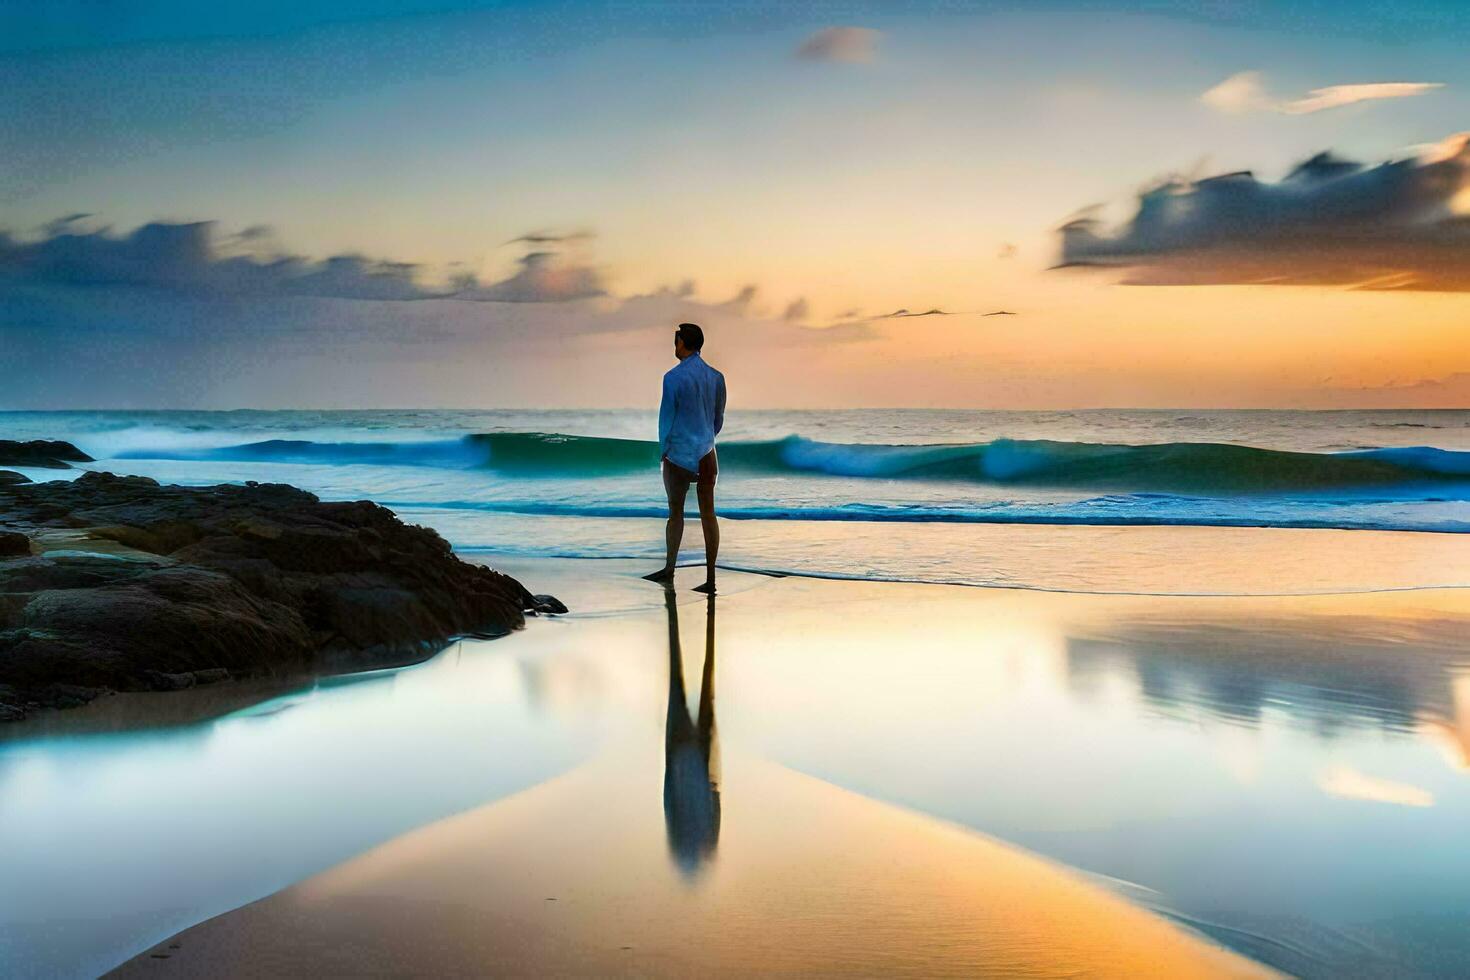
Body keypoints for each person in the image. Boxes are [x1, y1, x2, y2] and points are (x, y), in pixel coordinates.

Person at [643, 322, 726, 593]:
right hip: (706, 454)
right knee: (708, 515)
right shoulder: (717, 377)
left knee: (675, 514)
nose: (674, 345)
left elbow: (666, 419)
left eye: (676, 340)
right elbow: (717, 420)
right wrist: (704, 438)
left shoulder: (672, 377)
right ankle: (711, 578)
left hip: (679, 454)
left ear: (683, 343)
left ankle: (669, 569)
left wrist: (663, 450)